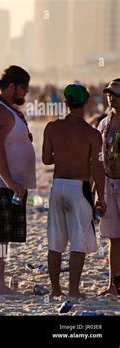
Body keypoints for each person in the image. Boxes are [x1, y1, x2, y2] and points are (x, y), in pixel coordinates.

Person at [43, 82, 105, 298]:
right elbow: (99, 169)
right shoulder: (92, 133)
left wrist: (62, 155)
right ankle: (73, 290)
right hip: (79, 188)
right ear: (86, 103)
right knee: (77, 241)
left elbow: (45, 159)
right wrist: (101, 199)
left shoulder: (52, 127)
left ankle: (55, 289)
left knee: (55, 242)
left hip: (58, 186)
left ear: (65, 103)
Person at [0, 65, 36, 294]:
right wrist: (11, 181)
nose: (26, 92)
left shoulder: (8, 110)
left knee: (3, 235)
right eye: (24, 87)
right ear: (11, 86)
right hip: (0, 182)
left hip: (10, 183)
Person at [97, 78, 120, 296]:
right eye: (108, 93)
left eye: (114, 93)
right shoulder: (104, 123)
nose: (110, 96)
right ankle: (114, 286)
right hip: (108, 182)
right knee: (114, 237)